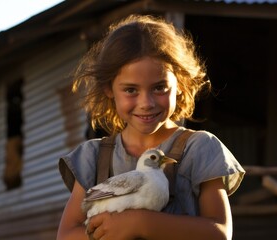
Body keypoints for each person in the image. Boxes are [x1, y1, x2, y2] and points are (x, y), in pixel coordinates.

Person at [57, 14, 245, 240]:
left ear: (180, 84)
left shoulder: (200, 148)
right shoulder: (94, 157)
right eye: (130, 90)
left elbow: (220, 233)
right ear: (109, 89)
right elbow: (66, 234)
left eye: (159, 88)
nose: (146, 103)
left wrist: (140, 222)